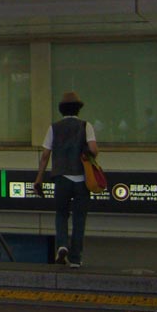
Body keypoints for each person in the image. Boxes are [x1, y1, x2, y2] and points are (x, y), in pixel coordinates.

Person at [33, 91, 99, 269]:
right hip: (81, 181)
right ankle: (76, 259)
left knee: (61, 214)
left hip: (61, 178)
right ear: (78, 109)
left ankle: (62, 245)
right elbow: (94, 149)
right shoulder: (86, 126)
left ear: (61, 110)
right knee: (79, 219)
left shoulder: (53, 128)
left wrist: (39, 179)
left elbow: (45, 156)